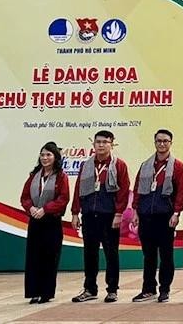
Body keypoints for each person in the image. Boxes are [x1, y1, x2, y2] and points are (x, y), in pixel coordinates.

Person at [71, 130, 130, 303]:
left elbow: (124, 191)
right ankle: (90, 289)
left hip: (109, 215)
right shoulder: (86, 165)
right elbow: (78, 190)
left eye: (105, 142)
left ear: (112, 144)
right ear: (93, 144)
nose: (101, 145)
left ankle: (112, 290)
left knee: (111, 254)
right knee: (89, 254)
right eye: (98, 142)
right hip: (89, 214)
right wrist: (75, 213)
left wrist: (119, 213)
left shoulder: (119, 165)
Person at [131, 129, 183, 303]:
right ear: (154, 142)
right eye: (158, 141)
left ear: (171, 143)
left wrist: (177, 213)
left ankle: (165, 289)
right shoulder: (146, 165)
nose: (162, 144)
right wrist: (135, 211)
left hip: (165, 217)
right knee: (148, 255)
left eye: (165, 141)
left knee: (166, 255)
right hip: (146, 215)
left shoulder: (177, 166)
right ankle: (148, 289)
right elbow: (137, 189)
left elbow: (181, 192)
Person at [20, 141, 70, 304]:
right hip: (35, 221)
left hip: (51, 222)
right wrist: (31, 208)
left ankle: (46, 293)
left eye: (48, 154)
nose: (45, 158)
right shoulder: (34, 176)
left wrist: (46, 209)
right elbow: (25, 197)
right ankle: (34, 292)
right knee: (34, 257)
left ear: (55, 157)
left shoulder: (61, 177)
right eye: (42, 154)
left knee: (50, 257)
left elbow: (63, 198)